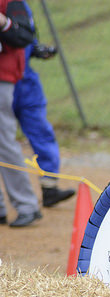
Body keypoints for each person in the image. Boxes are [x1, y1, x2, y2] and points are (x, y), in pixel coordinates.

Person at [12, 0, 75, 207]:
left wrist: (37, 50)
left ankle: (49, 188)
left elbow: (24, 37)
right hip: (5, 81)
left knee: (41, 133)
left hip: (26, 82)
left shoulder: (20, 5)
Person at [0, 0, 42, 227]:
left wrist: (4, 22)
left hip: (2, 79)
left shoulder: (10, 2)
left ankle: (27, 205)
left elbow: (24, 35)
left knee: (3, 142)